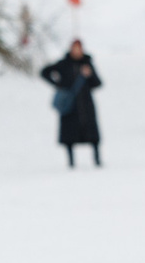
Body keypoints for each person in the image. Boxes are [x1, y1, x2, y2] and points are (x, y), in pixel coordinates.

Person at [41, 39, 103, 167]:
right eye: (74, 48)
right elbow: (44, 72)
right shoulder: (64, 64)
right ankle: (71, 162)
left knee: (92, 134)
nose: (77, 51)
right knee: (70, 134)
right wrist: (58, 84)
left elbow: (97, 83)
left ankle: (97, 160)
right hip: (70, 105)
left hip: (86, 104)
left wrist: (89, 74)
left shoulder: (87, 63)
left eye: (79, 48)